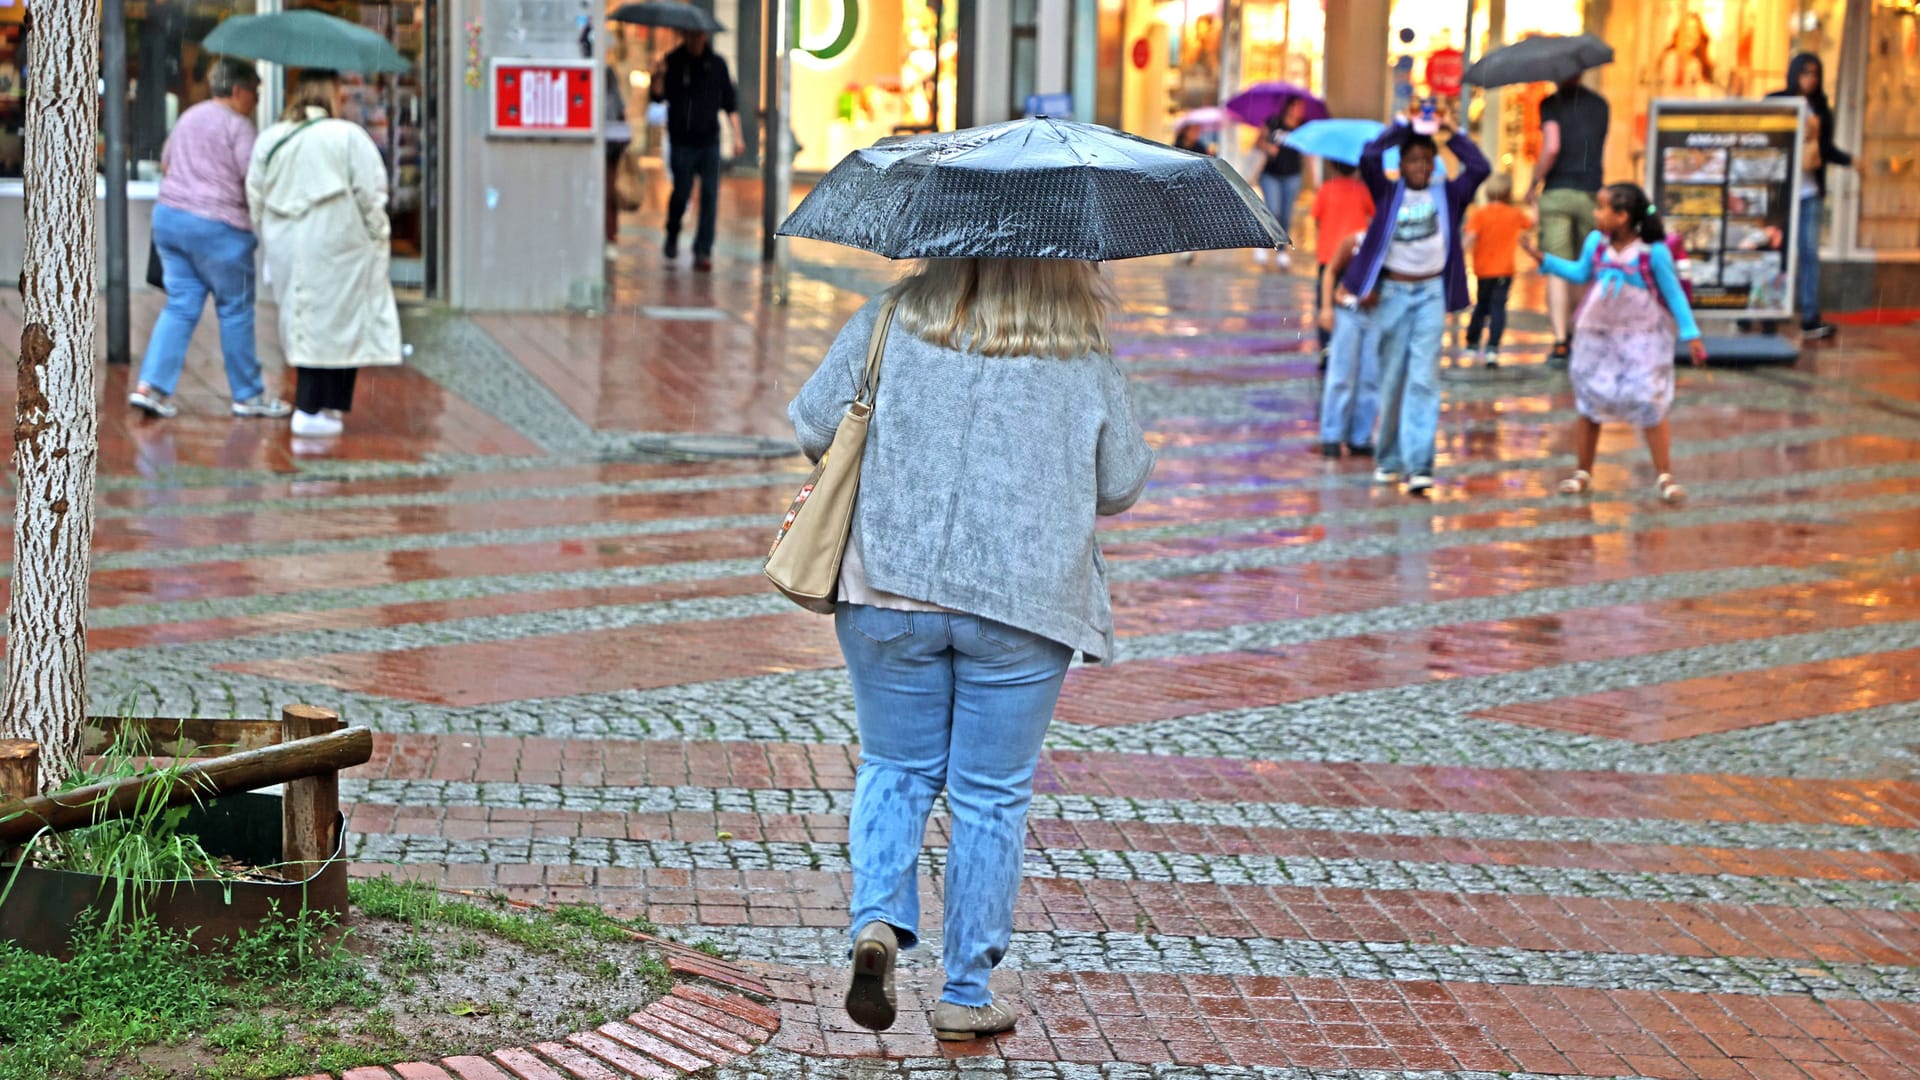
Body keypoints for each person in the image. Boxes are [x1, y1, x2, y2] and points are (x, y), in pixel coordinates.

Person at [788, 258, 1153, 1043]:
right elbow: (1121, 482)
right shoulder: (1080, 347)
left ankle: (878, 922)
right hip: (1023, 608)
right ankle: (965, 991)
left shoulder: (889, 319)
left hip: (888, 590)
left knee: (895, 765)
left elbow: (816, 425)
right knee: (990, 793)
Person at [1522, 183, 1708, 503]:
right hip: (1598, 333)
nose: (1596, 214)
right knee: (1591, 399)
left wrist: (1691, 334)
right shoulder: (1596, 243)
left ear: (1621, 216)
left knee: (1649, 398)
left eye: (1602, 208)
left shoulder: (1653, 252)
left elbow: (1674, 294)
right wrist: (1545, 260)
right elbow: (1581, 273)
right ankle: (1583, 471)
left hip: (1642, 335)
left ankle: (1664, 475)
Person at [131, 58, 291, 421]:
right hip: (219, 227)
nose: (256, 98)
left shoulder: (190, 116)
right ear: (237, 91)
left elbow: (168, 164)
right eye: (255, 91)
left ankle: (150, 387)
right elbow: (252, 178)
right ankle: (248, 395)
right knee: (235, 308)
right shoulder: (239, 127)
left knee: (181, 304)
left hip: (171, 221)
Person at [247, 69, 404, 439]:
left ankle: (316, 405)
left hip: (286, 241)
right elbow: (372, 192)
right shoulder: (347, 136)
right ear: (331, 95)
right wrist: (378, 235)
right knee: (342, 320)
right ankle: (317, 405)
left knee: (304, 319)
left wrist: (272, 233)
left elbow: (255, 194)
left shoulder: (270, 139)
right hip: (340, 241)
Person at [1342, 113, 1490, 496]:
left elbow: (1480, 167)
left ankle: (1420, 466)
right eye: (1414, 159)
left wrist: (1450, 132)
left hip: (1430, 296)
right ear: (1402, 164)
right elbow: (1370, 156)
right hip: (1393, 295)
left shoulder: (1449, 194)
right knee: (1391, 379)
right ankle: (1388, 459)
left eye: (1428, 159)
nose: (1422, 166)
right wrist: (1402, 129)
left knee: (1424, 379)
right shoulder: (1388, 193)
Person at [1769, 53, 1858, 340]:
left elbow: (1827, 149)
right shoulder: (1776, 101)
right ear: (1794, 73)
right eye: (1805, 72)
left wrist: (1851, 161)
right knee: (1772, 250)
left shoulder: (1820, 108)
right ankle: (1763, 311)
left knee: (1809, 254)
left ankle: (1809, 316)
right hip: (1779, 191)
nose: (1810, 79)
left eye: (1815, 73)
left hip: (1809, 191)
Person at [1527, 73, 1610, 366]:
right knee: (1585, 265)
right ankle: (1581, 334)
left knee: (1557, 266)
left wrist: (1534, 180)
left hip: (1558, 192)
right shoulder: (1601, 104)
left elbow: (1552, 147)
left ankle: (1561, 341)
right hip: (1592, 193)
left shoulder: (1551, 103)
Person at [649, 30, 742, 273]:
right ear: (686, 36)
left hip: (709, 142)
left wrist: (738, 137)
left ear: (705, 37)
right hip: (681, 141)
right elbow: (657, 97)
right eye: (691, 36)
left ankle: (703, 250)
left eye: (699, 36)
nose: (695, 40)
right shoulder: (673, 62)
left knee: (710, 195)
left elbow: (730, 103)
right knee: (682, 193)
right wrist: (658, 74)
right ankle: (672, 230)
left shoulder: (717, 65)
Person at [1317, 230, 1379, 458]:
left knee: (1371, 377)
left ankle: (1361, 436)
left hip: (1376, 314)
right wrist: (1326, 307)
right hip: (1348, 313)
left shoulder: (1395, 248)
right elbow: (1330, 271)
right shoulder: (1353, 242)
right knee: (1341, 373)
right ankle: (1331, 435)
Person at [1463, 174, 1532, 367]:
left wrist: (1458, 256)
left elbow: (1469, 238)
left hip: (1483, 270)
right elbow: (1531, 222)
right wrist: (1533, 202)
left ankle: (1472, 340)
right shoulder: (1514, 213)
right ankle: (1492, 348)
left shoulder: (1479, 214)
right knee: (1498, 308)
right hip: (1504, 271)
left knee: (1481, 305)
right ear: (1508, 192)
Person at [1308, 160, 1375, 352]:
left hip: (1328, 256)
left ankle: (1326, 348)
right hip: (1354, 257)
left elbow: (1317, 220)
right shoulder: (1363, 190)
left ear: (1333, 167)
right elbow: (1372, 218)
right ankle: (1352, 345)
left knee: (1325, 303)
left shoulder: (1325, 189)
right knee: (1352, 302)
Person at [1254, 98, 1308, 269]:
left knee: (1285, 215)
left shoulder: (1303, 127)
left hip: (1292, 175)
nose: (1300, 111)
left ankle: (1282, 251)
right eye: (1297, 107)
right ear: (1289, 107)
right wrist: (1268, 147)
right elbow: (1258, 142)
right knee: (1273, 210)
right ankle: (1263, 244)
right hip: (1271, 174)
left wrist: (1314, 179)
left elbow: (1308, 153)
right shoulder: (1273, 122)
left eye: (1302, 108)